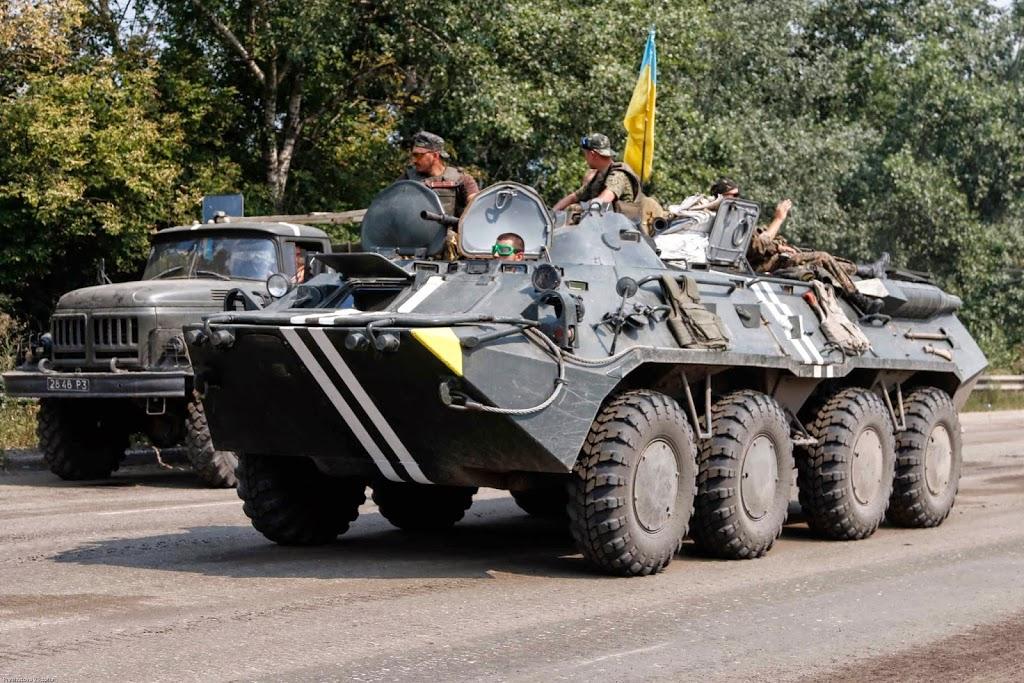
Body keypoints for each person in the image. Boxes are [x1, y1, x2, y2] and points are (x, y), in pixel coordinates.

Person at [742, 187, 884, 313]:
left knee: (818, 257)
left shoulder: (738, 222)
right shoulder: (729, 227)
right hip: (768, 266)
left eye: (737, 195)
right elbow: (759, 246)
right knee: (822, 257)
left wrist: (779, 246)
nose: (735, 200)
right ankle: (859, 299)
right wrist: (778, 219)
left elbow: (764, 240)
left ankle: (868, 270)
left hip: (776, 258)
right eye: (731, 195)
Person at [552, 133, 644, 219]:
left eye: (586, 154)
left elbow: (607, 196)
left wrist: (597, 202)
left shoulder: (619, 174)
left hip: (621, 230)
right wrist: (552, 213)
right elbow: (574, 197)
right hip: (603, 227)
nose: (585, 158)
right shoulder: (599, 176)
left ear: (592, 155)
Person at [400, 131, 479, 217]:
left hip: (450, 230)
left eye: (418, 155)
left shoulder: (461, 179)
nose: (414, 160)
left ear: (435, 155)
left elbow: (477, 205)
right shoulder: (407, 178)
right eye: (413, 155)